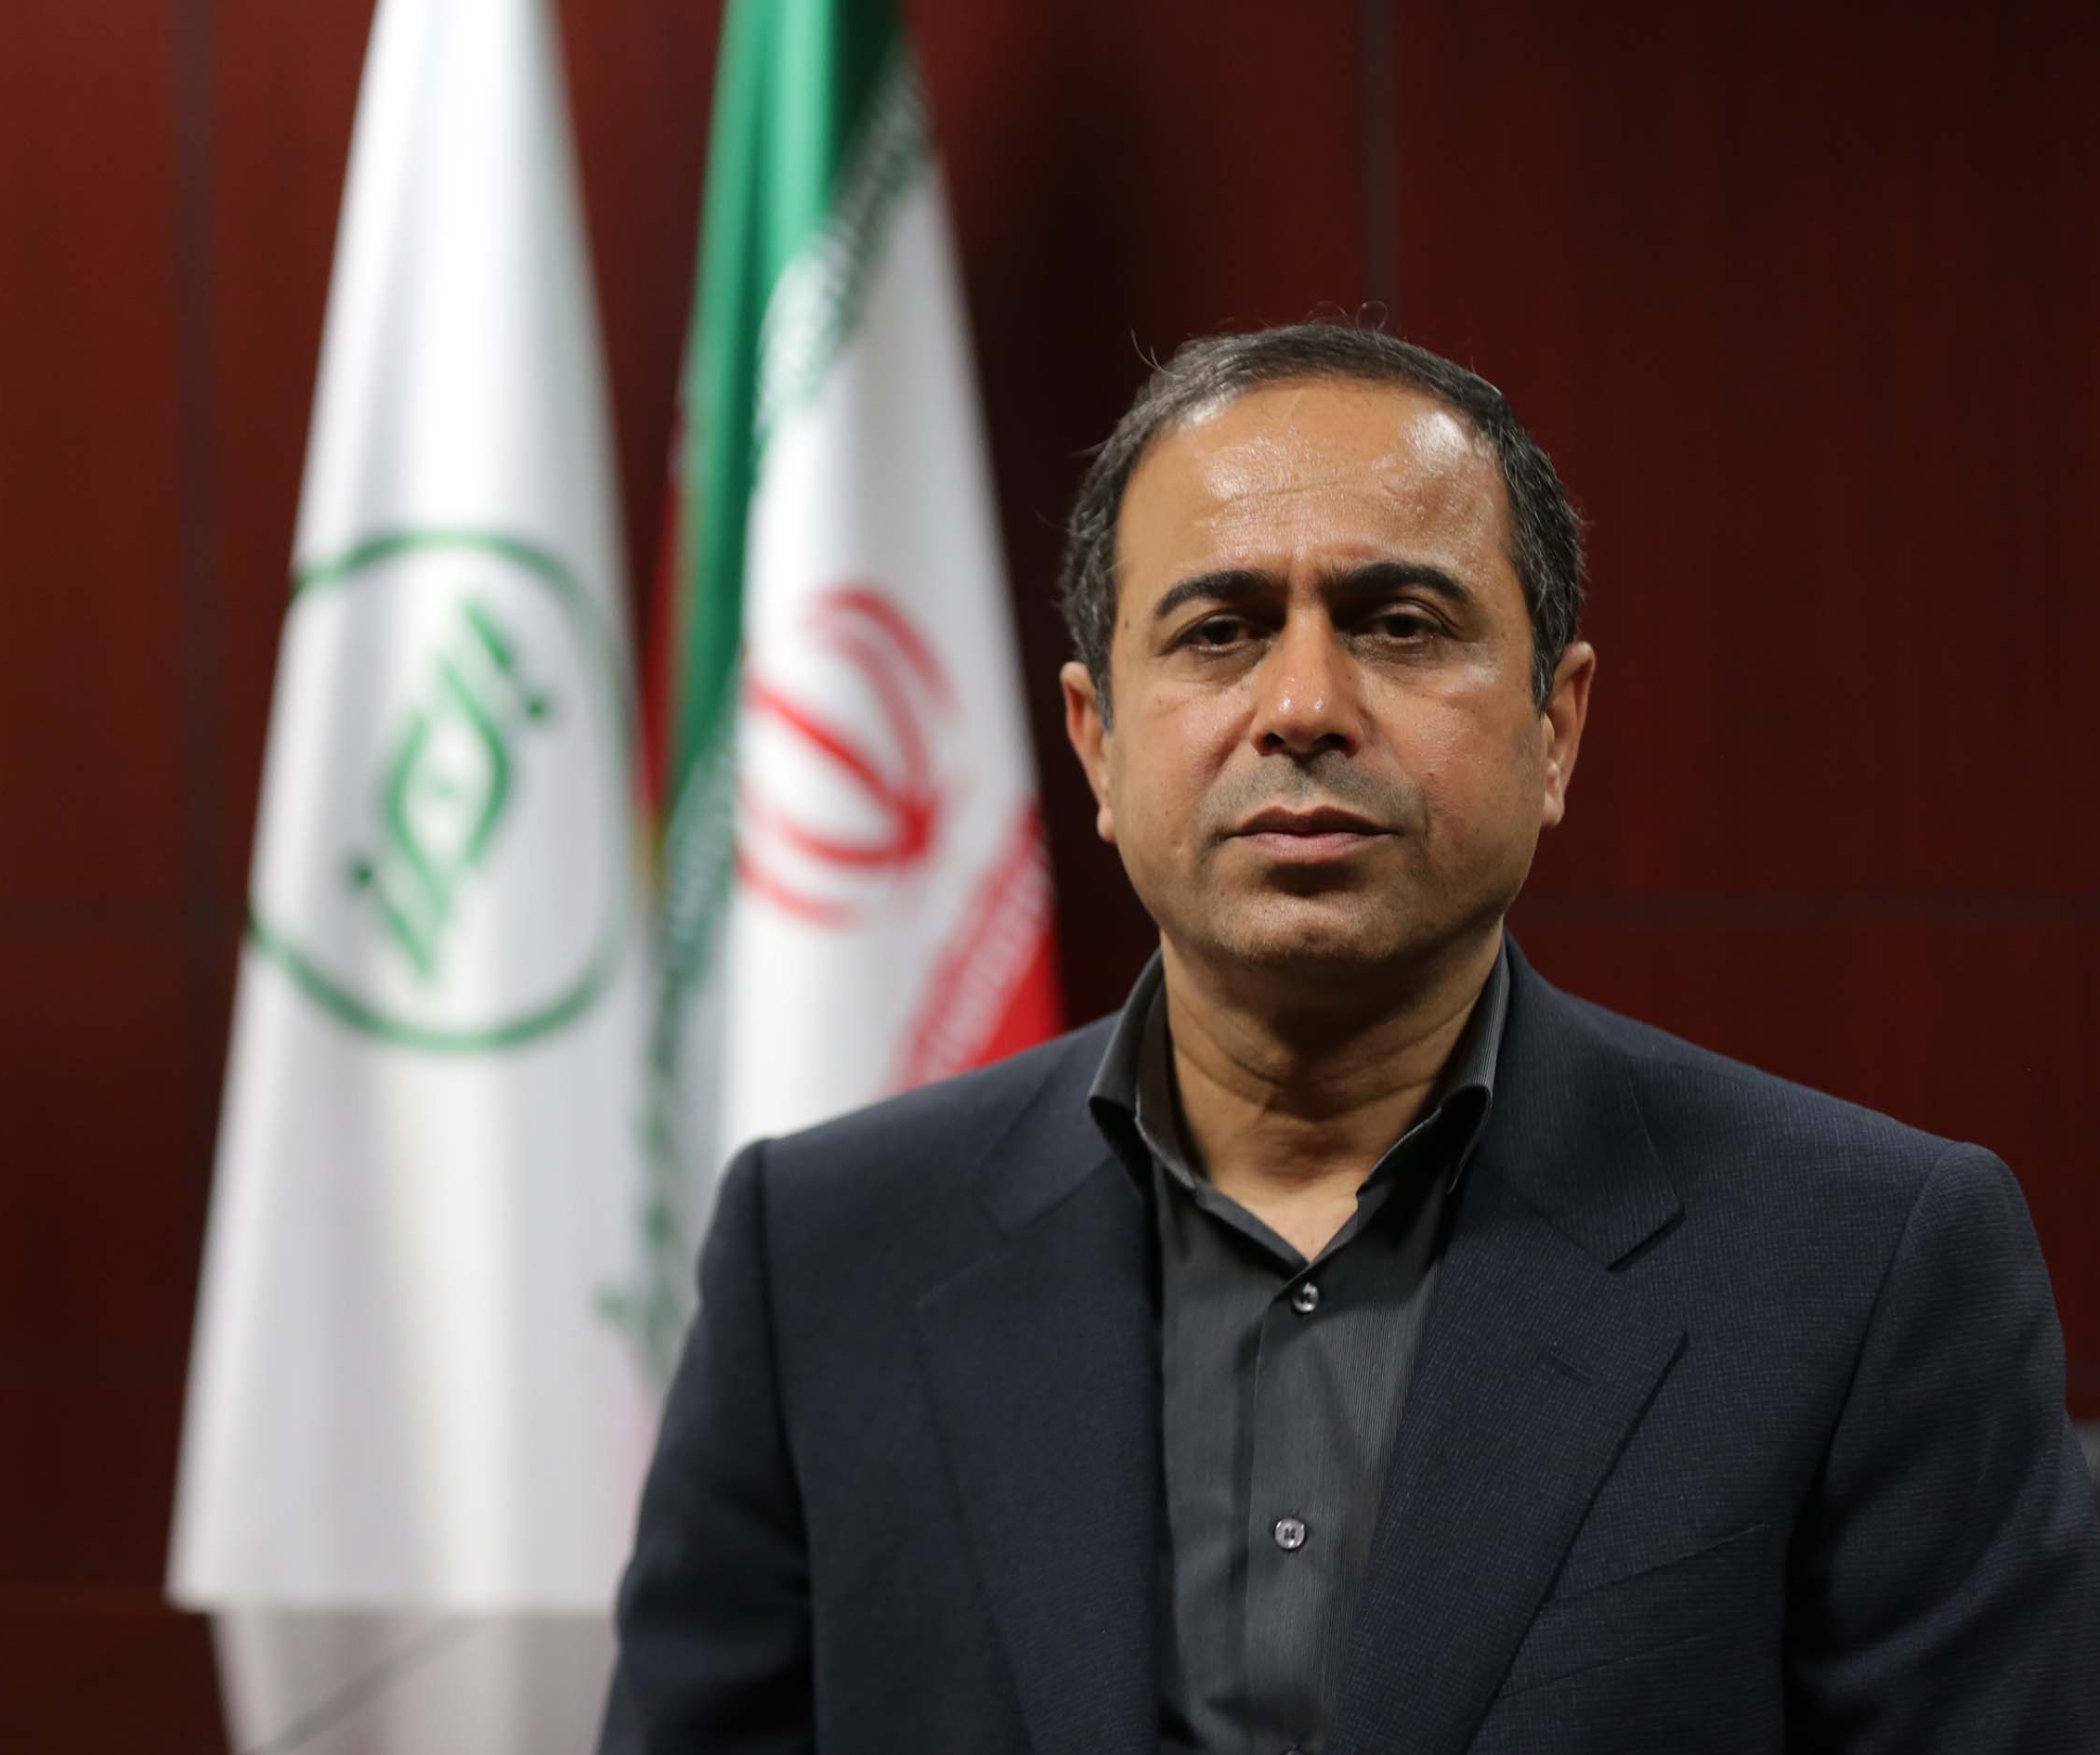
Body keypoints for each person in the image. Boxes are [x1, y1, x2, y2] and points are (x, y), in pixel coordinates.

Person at [597, 322, 2100, 1753]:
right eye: (1220, 630)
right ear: (1096, 743)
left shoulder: (1867, 1263)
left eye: (1400, 624)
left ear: (1557, 726)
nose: (1305, 705)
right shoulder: (824, 1255)